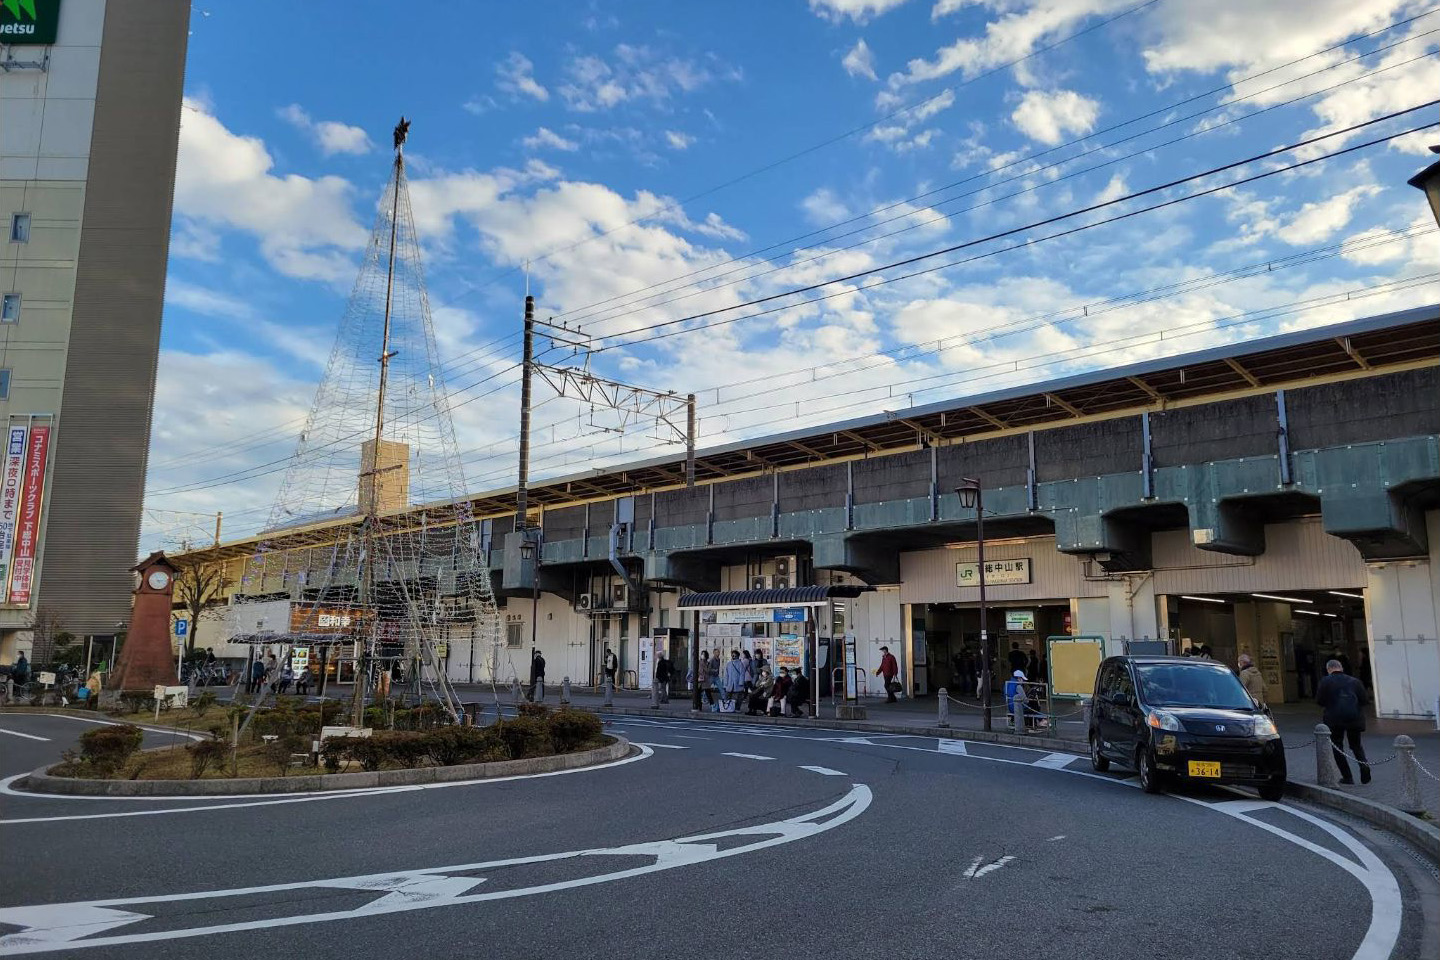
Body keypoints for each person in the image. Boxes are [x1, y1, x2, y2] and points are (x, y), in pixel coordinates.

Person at [1316, 659, 1371, 785]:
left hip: (1334, 719)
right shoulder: (1355, 681)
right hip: (1354, 718)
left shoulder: (1325, 681)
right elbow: (1364, 700)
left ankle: (1347, 776)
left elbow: (1319, 701)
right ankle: (1364, 766)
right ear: (1341, 668)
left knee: (1337, 747)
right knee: (1356, 745)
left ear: (1329, 669)